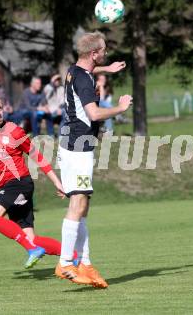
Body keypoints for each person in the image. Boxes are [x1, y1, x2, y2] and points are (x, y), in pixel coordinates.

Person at [56, 31, 132, 288]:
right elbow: (94, 113)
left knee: (83, 207)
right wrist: (120, 108)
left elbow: (84, 75)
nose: (106, 52)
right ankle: (66, 263)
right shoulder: (85, 81)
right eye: (103, 51)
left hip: (75, 146)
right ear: (94, 53)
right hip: (77, 149)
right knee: (77, 205)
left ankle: (85, 264)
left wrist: (107, 69)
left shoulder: (75, 71)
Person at [0, 94, 77, 269]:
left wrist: (56, 182)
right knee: (30, 237)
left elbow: (38, 157)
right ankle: (72, 256)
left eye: (0, 108)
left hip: (19, 182)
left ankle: (32, 250)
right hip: (6, 186)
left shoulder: (14, 131)